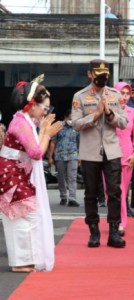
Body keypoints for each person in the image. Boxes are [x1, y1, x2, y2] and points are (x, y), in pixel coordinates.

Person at [0, 76, 62, 272]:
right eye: (45, 108)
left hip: (17, 173)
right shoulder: (21, 124)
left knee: (26, 216)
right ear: (32, 105)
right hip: (11, 174)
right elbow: (36, 153)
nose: (46, 113)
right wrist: (46, 134)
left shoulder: (24, 121)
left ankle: (25, 260)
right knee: (24, 216)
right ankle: (20, 262)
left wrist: (43, 131)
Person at [72, 59, 127, 248]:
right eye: (98, 75)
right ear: (90, 74)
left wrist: (110, 113)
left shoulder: (115, 95)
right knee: (91, 194)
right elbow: (76, 124)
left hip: (112, 151)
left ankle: (113, 231)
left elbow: (124, 122)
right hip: (89, 152)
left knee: (114, 192)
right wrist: (95, 115)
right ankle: (94, 232)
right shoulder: (79, 96)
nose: (102, 79)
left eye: (105, 76)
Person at [114, 81, 134, 236]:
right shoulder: (108, 111)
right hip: (110, 156)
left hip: (127, 156)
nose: (124, 96)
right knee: (113, 191)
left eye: (127, 93)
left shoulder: (133, 112)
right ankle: (118, 221)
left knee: (122, 192)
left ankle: (119, 221)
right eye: (121, 93)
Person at [48, 109, 80, 207]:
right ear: (65, 117)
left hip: (73, 155)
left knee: (72, 177)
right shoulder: (58, 126)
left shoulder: (77, 127)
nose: (72, 119)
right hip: (60, 156)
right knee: (61, 177)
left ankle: (72, 198)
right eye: (70, 117)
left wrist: (81, 156)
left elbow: (80, 142)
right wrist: (50, 157)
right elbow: (53, 142)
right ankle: (63, 196)